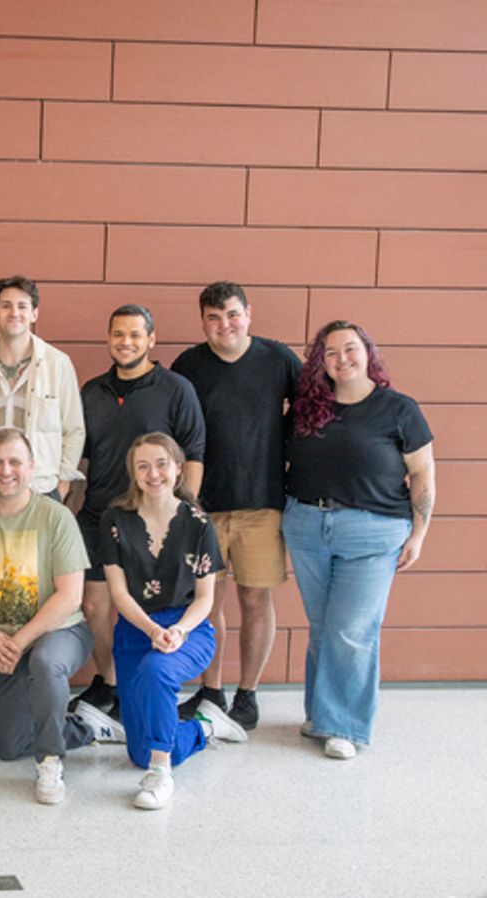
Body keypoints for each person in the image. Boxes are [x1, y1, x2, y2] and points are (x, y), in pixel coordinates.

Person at [0, 428, 121, 806]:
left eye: (15, 462)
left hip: (60, 631)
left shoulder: (55, 517)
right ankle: (80, 729)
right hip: (0, 640)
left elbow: (70, 595)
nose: (6, 470)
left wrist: (20, 641)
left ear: (31, 467)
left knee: (45, 661)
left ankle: (51, 760)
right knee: (9, 746)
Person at [283, 321, 434, 761]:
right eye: (331, 353)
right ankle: (321, 715)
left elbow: (423, 471)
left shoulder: (399, 409)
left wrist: (420, 532)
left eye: (351, 349)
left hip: (374, 530)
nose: (342, 359)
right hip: (308, 525)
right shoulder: (306, 410)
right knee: (324, 625)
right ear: (320, 362)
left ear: (368, 353)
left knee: (351, 630)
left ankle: (345, 726)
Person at [171, 282, 301, 729]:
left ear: (248, 313)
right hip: (202, 507)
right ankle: (211, 691)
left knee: (256, 600)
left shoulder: (279, 360)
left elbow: (310, 413)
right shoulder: (188, 365)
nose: (223, 324)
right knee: (207, 604)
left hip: (262, 504)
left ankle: (248, 694)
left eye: (231, 314)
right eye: (213, 317)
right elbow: (178, 434)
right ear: (202, 320)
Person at [98, 433, 247, 810]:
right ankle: (204, 726)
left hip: (189, 628)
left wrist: (177, 630)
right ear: (133, 472)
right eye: (143, 466)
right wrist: (151, 630)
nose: (154, 474)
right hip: (136, 627)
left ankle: (161, 776)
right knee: (138, 751)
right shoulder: (115, 519)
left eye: (162, 464)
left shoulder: (198, 523)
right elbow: (119, 595)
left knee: (156, 670)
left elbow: (205, 599)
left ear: (178, 468)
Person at [71, 304, 206, 718]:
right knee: (95, 605)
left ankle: (140, 683)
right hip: (97, 515)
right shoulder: (92, 392)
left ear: (151, 339)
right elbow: (82, 459)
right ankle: (109, 681)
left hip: (153, 518)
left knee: (145, 604)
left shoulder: (176, 388)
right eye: (118, 334)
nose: (125, 342)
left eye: (134, 335)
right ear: (108, 338)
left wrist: (181, 515)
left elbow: (194, 454)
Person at [0, 276, 84, 504]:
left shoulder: (58, 363)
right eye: (6, 306)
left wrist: (63, 482)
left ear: (34, 314)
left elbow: (73, 429)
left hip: (39, 490)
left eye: (22, 306)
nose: (14, 313)